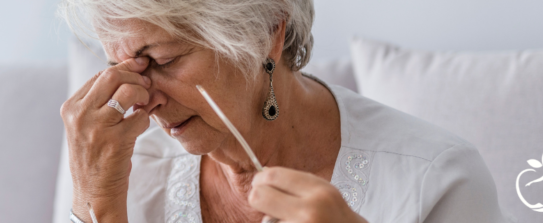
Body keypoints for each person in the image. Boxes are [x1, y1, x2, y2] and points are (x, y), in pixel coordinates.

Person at [58, 0, 508, 222]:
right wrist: (94, 206)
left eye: (165, 60)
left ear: (267, 33)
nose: (142, 98)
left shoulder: (436, 180)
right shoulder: (123, 171)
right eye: (120, 68)